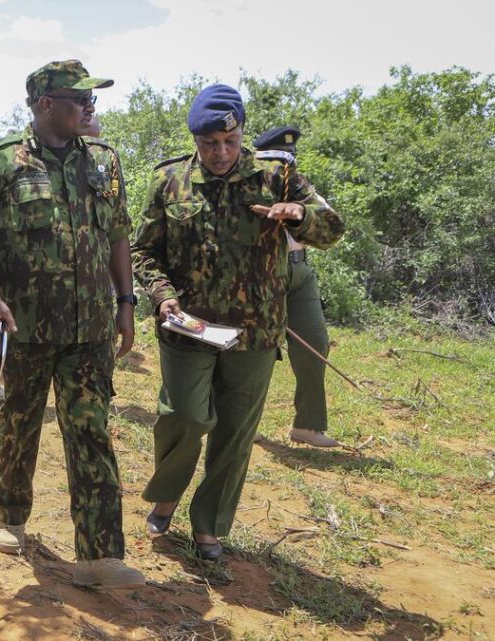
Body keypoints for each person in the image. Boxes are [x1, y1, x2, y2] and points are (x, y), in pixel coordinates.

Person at [0, 60, 145, 589]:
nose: (89, 107)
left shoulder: (103, 160)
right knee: (20, 423)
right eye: (79, 99)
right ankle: (11, 515)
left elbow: (118, 235)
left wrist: (126, 302)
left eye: (91, 99)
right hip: (24, 326)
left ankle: (99, 555)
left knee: (91, 431)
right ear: (44, 104)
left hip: (90, 329)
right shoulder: (1, 161)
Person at [131, 85, 345, 560]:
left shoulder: (277, 178)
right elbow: (142, 250)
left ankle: (209, 526)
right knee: (184, 416)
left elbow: (332, 228)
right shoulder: (169, 180)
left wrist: (299, 216)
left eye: (230, 141)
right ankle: (167, 494)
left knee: (235, 431)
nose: (221, 152)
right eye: (210, 144)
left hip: (255, 331)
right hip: (188, 326)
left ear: (242, 133)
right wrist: (162, 295)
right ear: (195, 140)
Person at [251, 126, 340, 449]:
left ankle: (308, 425)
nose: (283, 166)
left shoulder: (298, 185)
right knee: (256, 351)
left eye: (288, 160)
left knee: (315, 343)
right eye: (277, 159)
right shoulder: (251, 183)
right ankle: (243, 425)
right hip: (263, 273)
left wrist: (301, 213)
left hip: (300, 270)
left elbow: (328, 218)